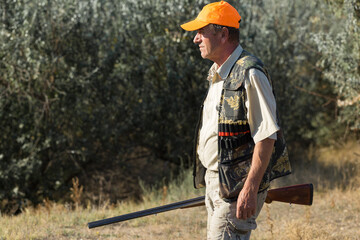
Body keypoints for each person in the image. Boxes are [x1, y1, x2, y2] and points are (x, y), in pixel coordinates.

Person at [180, 1, 291, 239]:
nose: (195, 39)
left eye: (201, 32)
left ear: (223, 34)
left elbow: (267, 136)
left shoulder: (250, 73)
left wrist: (249, 190)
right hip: (217, 181)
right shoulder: (219, 72)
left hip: (236, 186)